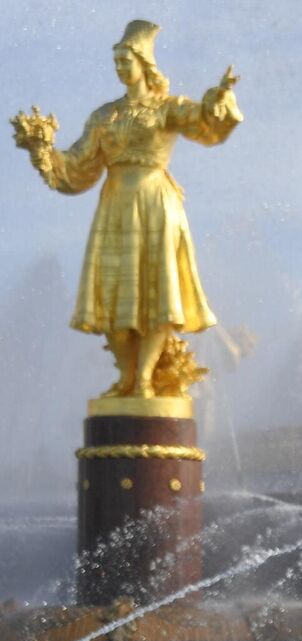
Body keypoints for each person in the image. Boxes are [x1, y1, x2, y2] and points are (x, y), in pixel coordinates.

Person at [13, 19, 241, 400]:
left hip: (156, 204)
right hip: (115, 206)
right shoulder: (105, 116)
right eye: (115, 60)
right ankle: (127, 375)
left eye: (125, 60)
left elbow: (204, 123)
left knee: (158, 298)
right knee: (114, 296)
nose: (119, 67)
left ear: (143, 63)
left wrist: (218, 99)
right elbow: (76, 168)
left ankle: (145, 380)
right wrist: (43, 152)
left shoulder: (167, 108)